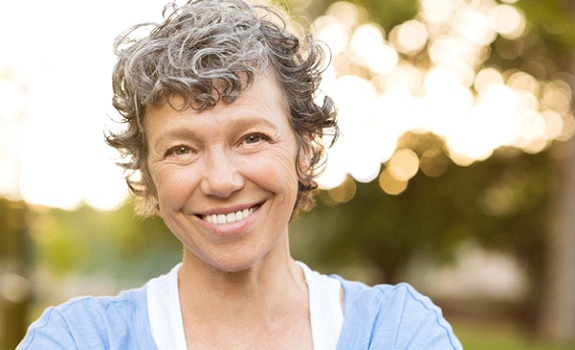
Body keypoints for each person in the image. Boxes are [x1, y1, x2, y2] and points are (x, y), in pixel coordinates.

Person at [18, 0, 462, 348]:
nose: (221, 181)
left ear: (304, 149)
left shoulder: (399, 334)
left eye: (251, 138)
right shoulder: (79, 340)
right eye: (181, 149)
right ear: (149, 175)